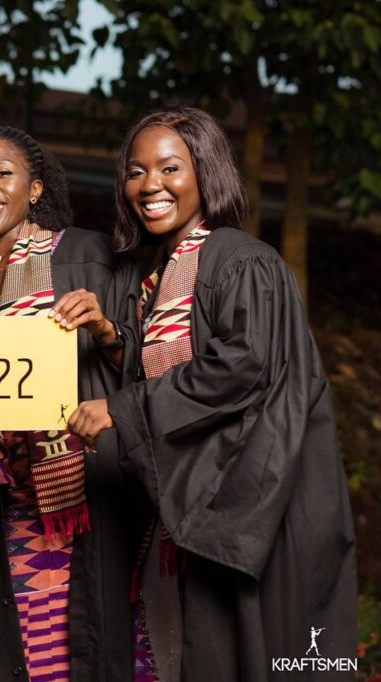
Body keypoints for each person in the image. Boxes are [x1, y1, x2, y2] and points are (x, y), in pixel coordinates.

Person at [69, 106, 357, 680]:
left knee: (261, 652)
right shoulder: (160, 275)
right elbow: (176, 365)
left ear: (205, 172)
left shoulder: (240, 259)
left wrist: (121, 408)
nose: (150, 185)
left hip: (250, 500)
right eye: (135, 170)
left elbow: (241, 366)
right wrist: (110, 339)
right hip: (186, 505)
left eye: (169, 167)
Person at [0, 127, 136, 681]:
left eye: (3, 173)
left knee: (83, 651)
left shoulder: (86, 256)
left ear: (34, 189)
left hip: (76, 496)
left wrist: (104, 328)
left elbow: (140, 367)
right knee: (20, 657)